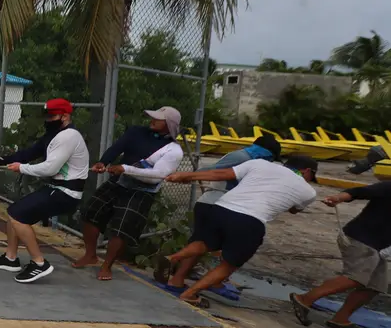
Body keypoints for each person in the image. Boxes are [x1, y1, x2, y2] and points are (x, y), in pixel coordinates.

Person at [163, 155, 318, 305]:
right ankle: (189, 294)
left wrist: (185, 175)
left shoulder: (259, 164)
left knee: (204, 243)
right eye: (312, 176)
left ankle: (171, 258)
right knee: (229, 264)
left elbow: (221, 173)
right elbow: (294, 210)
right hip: (250, 221)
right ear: (307, 171)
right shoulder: (309, 192)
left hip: (221, 208)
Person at [0, 98, 90, 283]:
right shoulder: (53, 135)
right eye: (46, 116)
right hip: (56, 187)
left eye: (52, 116)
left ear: (65, 116)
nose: (48, 120)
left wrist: (22, 168)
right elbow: (29, 153)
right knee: (14, 211)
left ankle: (39, 263)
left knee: (17, 214)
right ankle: (10, 258)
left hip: (67, 192)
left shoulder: (68, 136)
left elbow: (50, 169)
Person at [73, 107, 184, 281]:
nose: (152, 119)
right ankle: (90, 255)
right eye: (152, 116)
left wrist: (125, 168)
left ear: (169, 125)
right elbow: (117, 147)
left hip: (142, 191)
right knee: (90, 212)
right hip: (118, 182)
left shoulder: (173, 150)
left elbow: (156, 176)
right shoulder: (136, 132)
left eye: (158, 119)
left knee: (121, 228)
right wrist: (103, 161)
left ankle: (107, 265)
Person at [164, 134, 281, 290]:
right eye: (271, 157)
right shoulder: (243, 157)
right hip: (215, 204)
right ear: (266, 152)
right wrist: (187, 176)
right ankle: (177, 277)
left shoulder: (249, 159)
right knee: (202, 245)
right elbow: (214, 171)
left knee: (210, 245)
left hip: (218, 205)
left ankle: (211, 280)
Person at [289, 180, 391, 328]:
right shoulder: (389, 186)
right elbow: (360, 191)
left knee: (374, 286)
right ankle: (304, 299)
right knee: (356, 277)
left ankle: (340, 318)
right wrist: (339, 198)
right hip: (360, 239)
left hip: (377, 246)